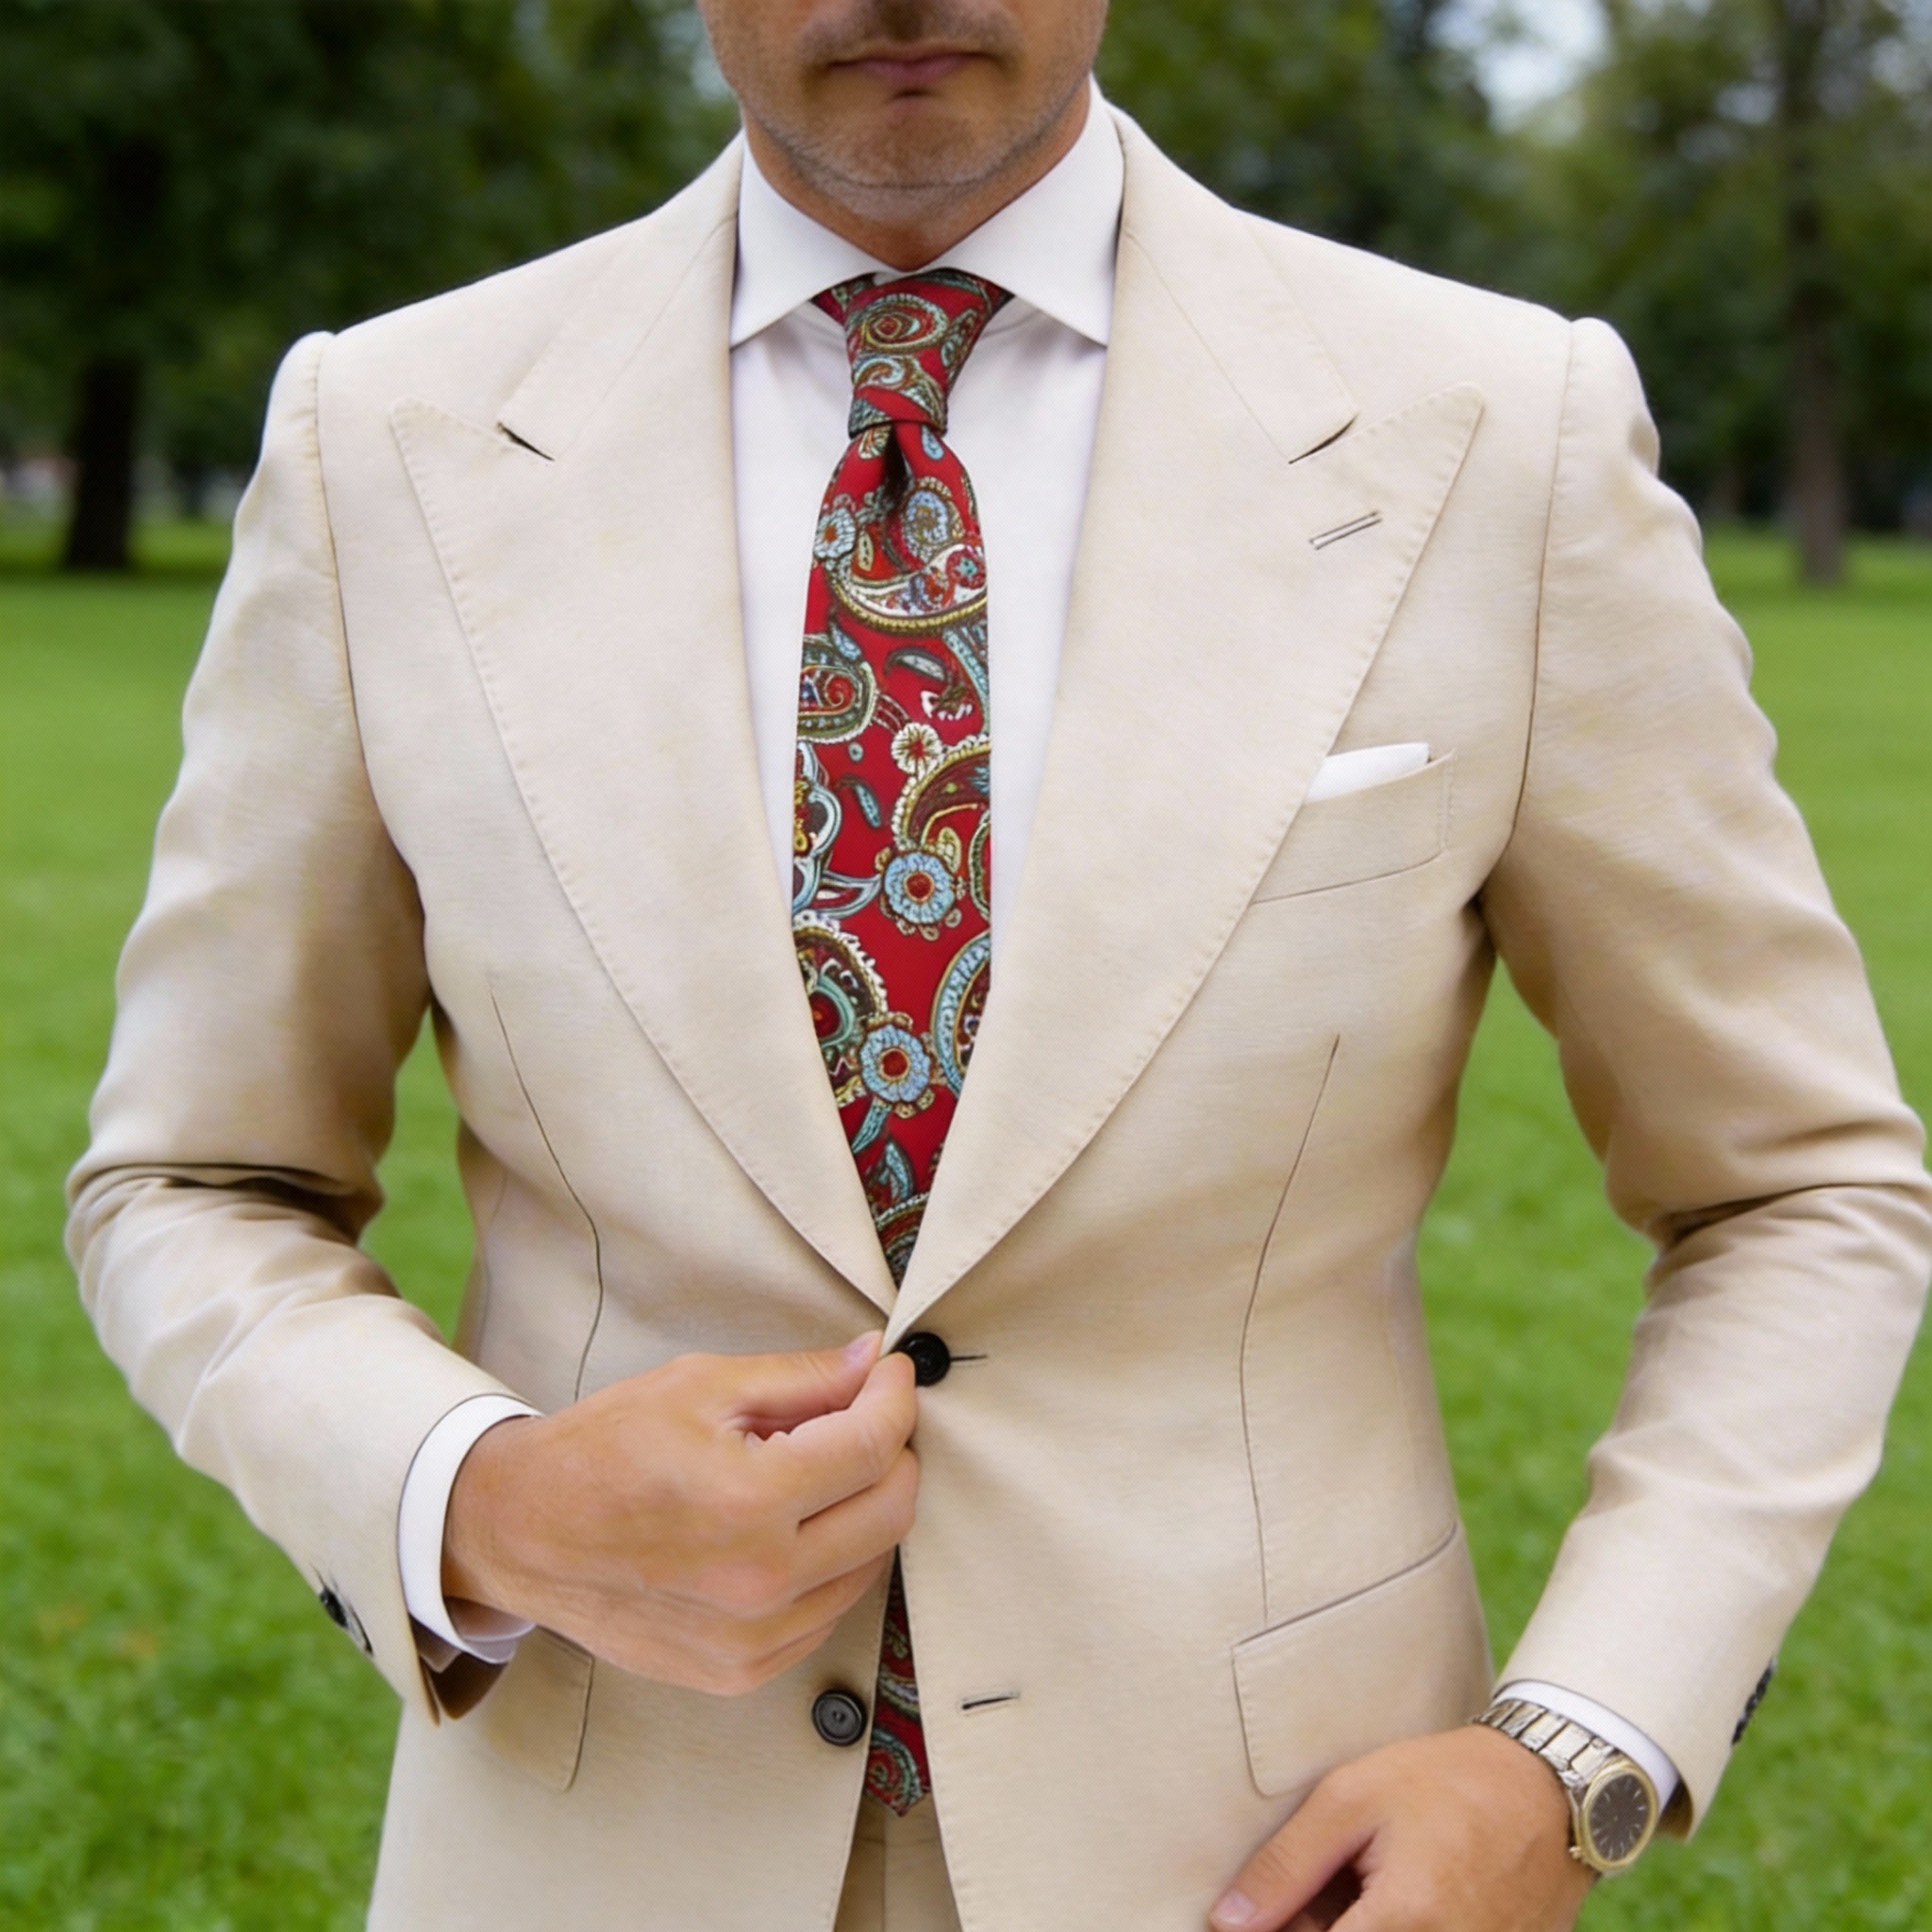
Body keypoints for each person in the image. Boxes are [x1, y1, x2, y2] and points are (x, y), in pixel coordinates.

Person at [68, 3, 1932, 1928]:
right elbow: (194, 1181)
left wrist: (1572, 1751)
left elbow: (1795, 1185)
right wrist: (477, 1497)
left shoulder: (1496, 427)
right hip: (590, 1849)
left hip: (1274, 1858)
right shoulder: (383, 442)